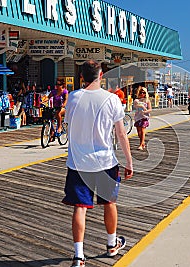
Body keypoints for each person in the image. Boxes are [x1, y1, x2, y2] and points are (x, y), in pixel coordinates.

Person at [62, 60, 133, 267]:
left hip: (78, 163)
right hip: (105, 161)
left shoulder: (73, 98)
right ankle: (112, 245)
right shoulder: (112, 100)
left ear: (81, 77)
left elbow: (69, 127)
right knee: (109, 203)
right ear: (101, 75)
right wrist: (128, 162)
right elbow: (121, 134)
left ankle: (78, 256)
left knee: (80, 207)